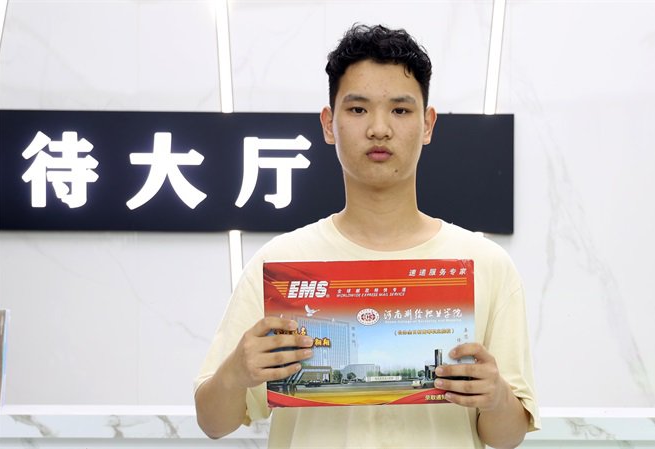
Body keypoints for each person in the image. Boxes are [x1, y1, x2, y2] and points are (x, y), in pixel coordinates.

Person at [194, 23, 539, 448]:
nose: (379, 128)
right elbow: (213, 422)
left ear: (428, 124)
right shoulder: (280, 264)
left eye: (400, 110)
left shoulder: (486, 264)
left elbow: (507, 437)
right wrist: (236, 371)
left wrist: (497, 397)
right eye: (357, 109)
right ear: (329, 124)